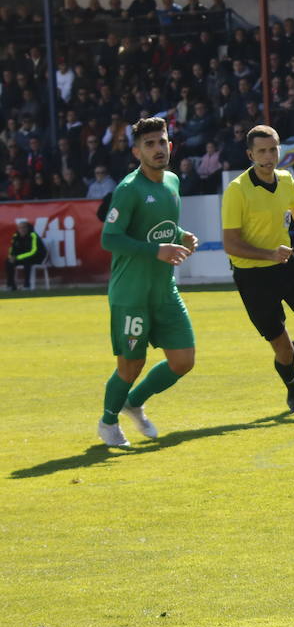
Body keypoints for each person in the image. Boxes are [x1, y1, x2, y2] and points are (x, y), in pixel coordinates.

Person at [96, 117, 199, 447]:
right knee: (131, 365)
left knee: (183, 361)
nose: (157, 149)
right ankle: (108, 423)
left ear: (170, 145)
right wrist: (158, 250)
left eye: (161, 142)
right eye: (149, 144)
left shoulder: (172, 181)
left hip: (164, 291)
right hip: (132, 294)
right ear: (136, 151)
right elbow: (110, 238)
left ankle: (133, 402)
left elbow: (162, 226)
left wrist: (181, 236)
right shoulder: (128, 190)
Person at [221, 124, 294, 414]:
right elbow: (230, 244)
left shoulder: (285, 179)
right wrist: (269, 254)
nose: (269, 155)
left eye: (273, 148)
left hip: (285, 265)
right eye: (261, 150)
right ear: (250, 154)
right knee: (281, 349)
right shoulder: (237, 190)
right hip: (252, 277)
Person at [6, 217, 47, 290]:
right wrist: (11, 257)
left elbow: (33, 251)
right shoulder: (16, 236)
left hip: (37, 257)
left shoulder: (33, 235)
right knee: (8, 262)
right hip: (22, 257)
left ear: (28, 228)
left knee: (27, 261)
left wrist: (17, 258)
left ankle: (27, 285)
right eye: (20, 228)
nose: (22, 229)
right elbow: (12, 249)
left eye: (24, 227)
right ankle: (10, 285)